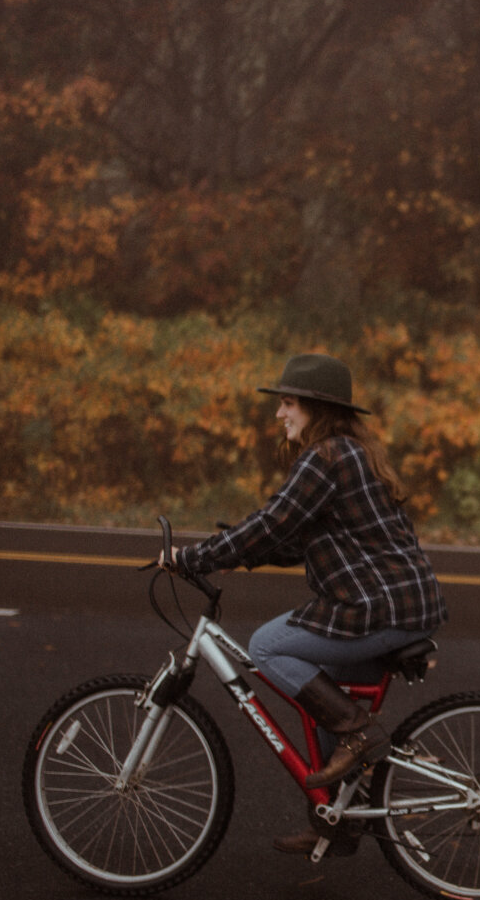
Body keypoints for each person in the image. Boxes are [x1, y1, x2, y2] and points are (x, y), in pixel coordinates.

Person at [166, 353, 447, 856]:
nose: (279, 414)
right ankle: (335, 821)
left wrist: (195, 557)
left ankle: (358, 736)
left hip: (377, 605)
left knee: (268, 645)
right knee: (317, 678)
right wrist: (237, 556)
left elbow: (273, 522)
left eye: (288, 403)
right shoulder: (348, 454)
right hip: (400, 603)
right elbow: (295, 539)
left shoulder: (327, 457)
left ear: (316, 408)